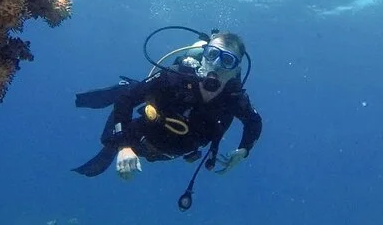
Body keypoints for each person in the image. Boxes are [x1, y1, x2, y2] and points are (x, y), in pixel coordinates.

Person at [72, 29, 262, 185]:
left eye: (227, 60)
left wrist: (244, 150)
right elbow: (126, 100)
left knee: (134, 97)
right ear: (204, 56)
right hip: (141, 135)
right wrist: (123, 145)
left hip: (169, 153)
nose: (216, 65)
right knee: (129, 95)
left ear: (236, 70)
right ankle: (126, 89)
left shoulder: (234, 99)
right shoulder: (174, 77)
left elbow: (254, 122)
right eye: (212, 54)